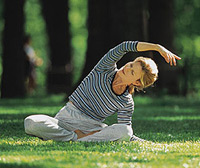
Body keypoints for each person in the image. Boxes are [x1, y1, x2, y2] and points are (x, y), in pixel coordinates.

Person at [24, 41, 181, 142]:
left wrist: (147, 143)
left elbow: (127, 133)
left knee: (125, 130)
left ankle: (78, 140)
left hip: (93, 128)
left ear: (136, 83)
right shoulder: (104, 68)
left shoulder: (126, 101)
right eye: (131, 64)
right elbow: (124, 46)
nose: (127, 68)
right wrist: (157, 47)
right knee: (30, 123)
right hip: (66, 119)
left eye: (132, 72)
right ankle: (75, 138)